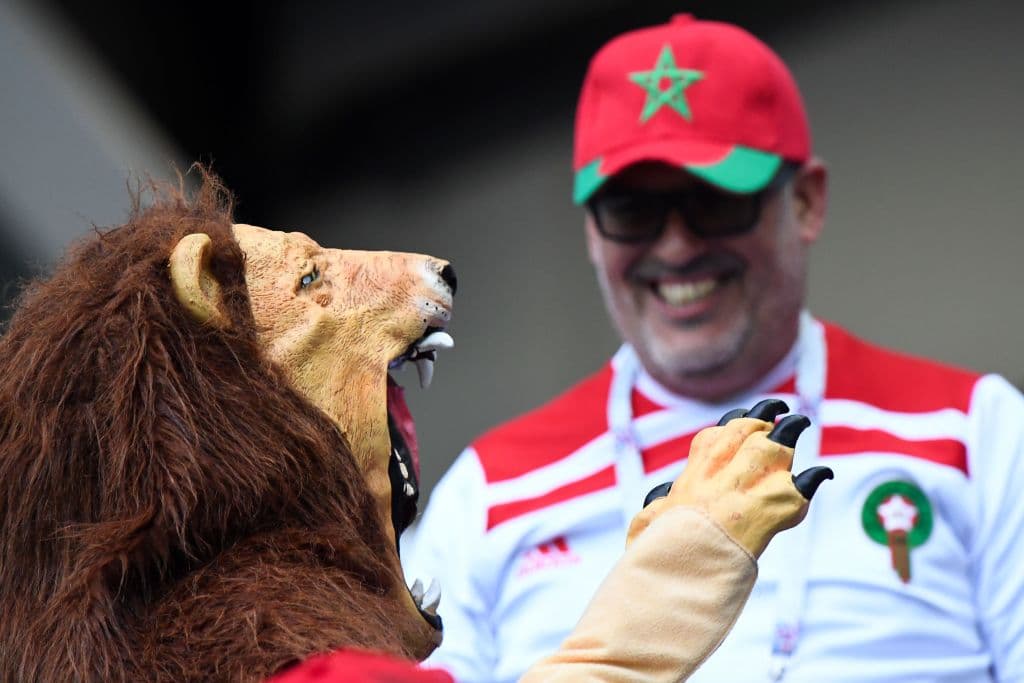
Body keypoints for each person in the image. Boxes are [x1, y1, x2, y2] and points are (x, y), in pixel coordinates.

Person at [405, 14, 1024, 683]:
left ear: (808, 202)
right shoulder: (487, 490)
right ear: (590, 230)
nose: (676, 246)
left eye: (717, 199)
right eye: (633, 210)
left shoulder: (978, 431)